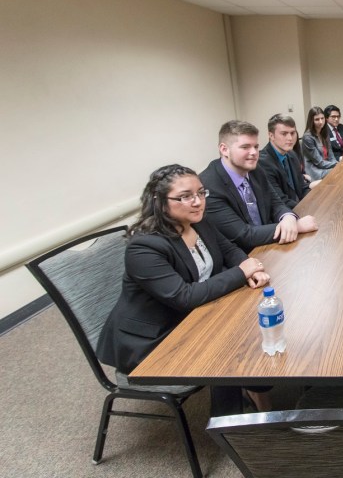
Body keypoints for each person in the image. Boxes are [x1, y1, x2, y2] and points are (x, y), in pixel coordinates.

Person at [96, 164, 271, 378]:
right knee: (228, 351)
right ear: (159, 202)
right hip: (154, 338)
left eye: (200, 193)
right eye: (185, 197)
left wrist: (250, 267)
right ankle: (233, 405)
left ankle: (256, 392)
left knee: (245, 327)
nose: (198, 202)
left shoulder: (198, 221)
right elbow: (184, 297)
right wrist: (241, 272)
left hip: (191, 315)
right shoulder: (144, 247)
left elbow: (228, 249)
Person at [200, 120, 317, 253]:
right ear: (224, 149)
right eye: (245, 147)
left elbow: (276, 203)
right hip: (243, 256)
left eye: (256, 146)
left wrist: (288, 217)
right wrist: (297, 226)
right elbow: (243, 235)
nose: (254, 152)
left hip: (269, 246)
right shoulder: (209, 186)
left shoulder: (255, 169)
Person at [259, 114, 318, 209]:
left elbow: (302, 187)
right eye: (284, 134)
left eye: (292, 133)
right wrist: (307, 207)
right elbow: (280, 201)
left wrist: (313, 202)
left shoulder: (292, 154)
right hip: (284, 215)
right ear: (271, 135)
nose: (290, 138)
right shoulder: (263, 162)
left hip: (299, 206)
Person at [301, 106, 338, 181]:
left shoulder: (324, 133)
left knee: (341, 170)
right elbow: (319, 163)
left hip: (326, 166)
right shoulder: (307, 137)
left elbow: (331, 155)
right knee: (339, 172)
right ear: (311, 121)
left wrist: (336, 163)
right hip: (315, 171)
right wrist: (337, 164)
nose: (321, 122)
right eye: (317, 119)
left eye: (322, 118)